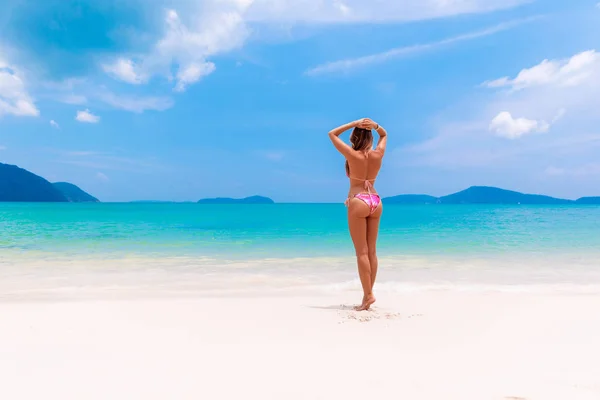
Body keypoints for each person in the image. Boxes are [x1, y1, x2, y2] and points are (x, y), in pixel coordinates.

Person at [328, 118, 387, 311]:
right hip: (376, 201)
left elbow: (332, 134)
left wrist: (354, 123)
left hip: (358, 201)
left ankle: (368, 295)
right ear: (369, 136)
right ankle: (367, 295)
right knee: (372, 252)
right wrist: (375, 126)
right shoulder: (378, 154)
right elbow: (384, 135)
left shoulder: (352, 155)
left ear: (354, 137)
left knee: (361, 252)